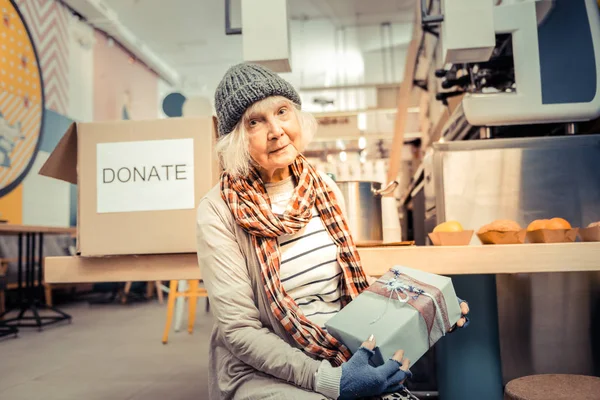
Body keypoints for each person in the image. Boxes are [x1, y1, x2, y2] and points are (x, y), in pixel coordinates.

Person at [196, 63, 470, 400]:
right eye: (255, 121)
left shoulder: (323, 189)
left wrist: (428, 308)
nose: (276, 130)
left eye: (282, 111)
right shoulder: (218, 211)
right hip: (264, 369)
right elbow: (240, 330)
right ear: (236, 138)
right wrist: (330, 381)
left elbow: (352, 294)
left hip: (342, 351)